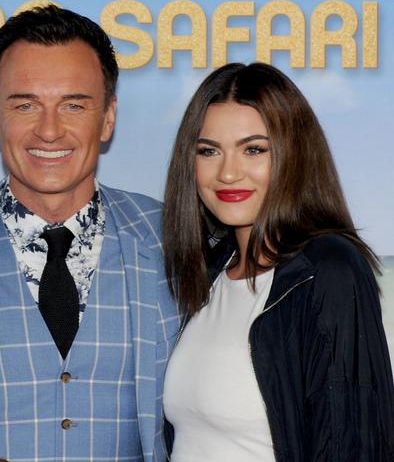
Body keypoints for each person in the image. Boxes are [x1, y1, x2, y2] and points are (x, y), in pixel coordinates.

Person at [0, 5, 180, 461]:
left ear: (109, 117)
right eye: (25, 105)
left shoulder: (173, 238)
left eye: (74, 105)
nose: (50, 130)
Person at [162, 62, 394, 461]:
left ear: (294, 155)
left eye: (253, 149)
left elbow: (352, 445)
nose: (228, 172)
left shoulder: (329, 269)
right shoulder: (207, 275)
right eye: (209, 151)